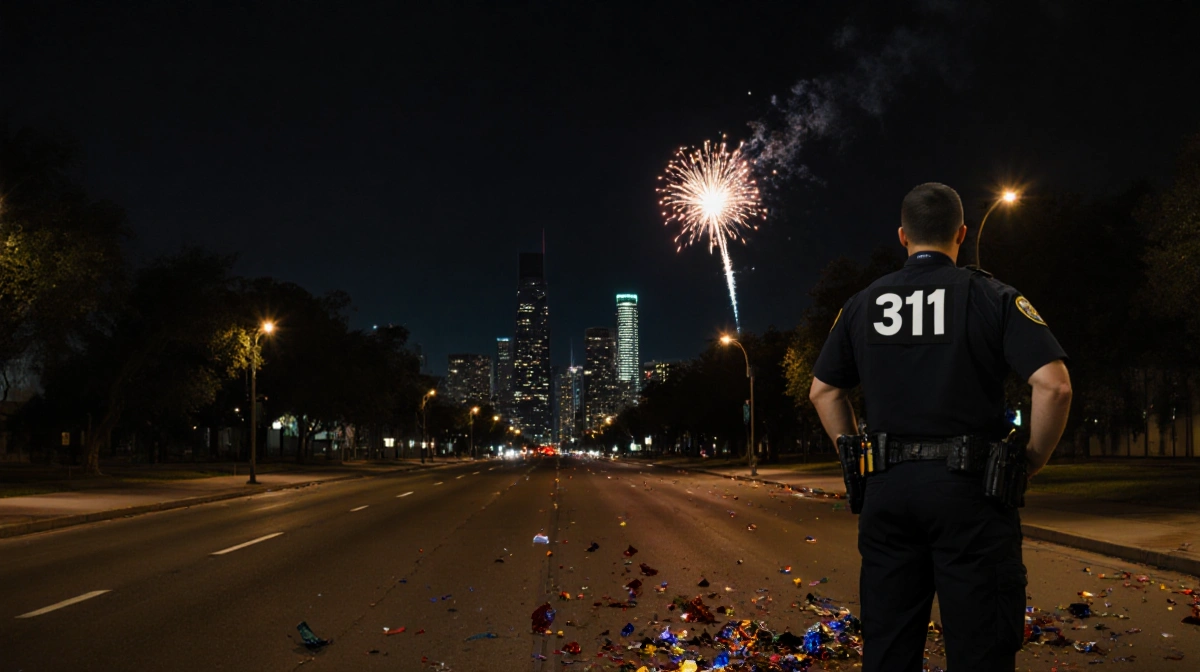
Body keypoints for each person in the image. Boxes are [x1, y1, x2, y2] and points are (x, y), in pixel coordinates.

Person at [808, 183, 1073, 671]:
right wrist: (1031, 459)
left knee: (889, 649)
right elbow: (1054, 386)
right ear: (962, 234)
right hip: (971, 494)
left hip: (887, 491)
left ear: (903, 237)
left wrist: (855, 452)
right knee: (981, 648)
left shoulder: (863, 304)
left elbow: (823, 391)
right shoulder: (991, 296)